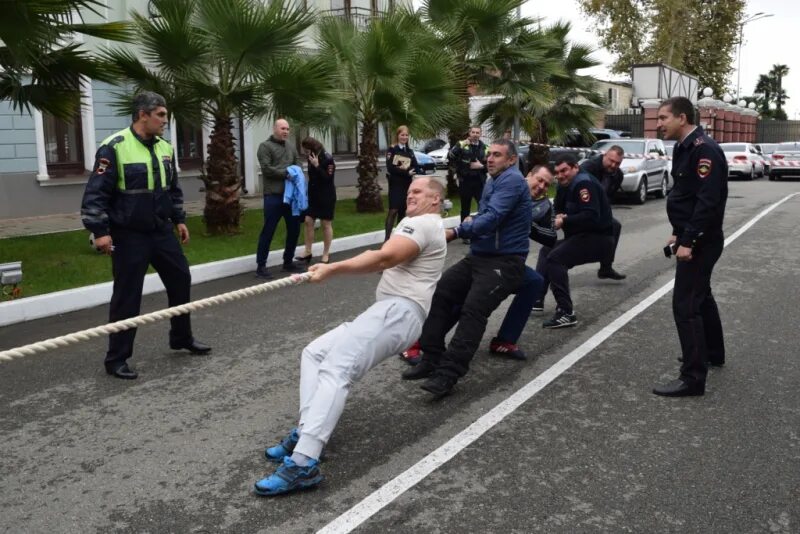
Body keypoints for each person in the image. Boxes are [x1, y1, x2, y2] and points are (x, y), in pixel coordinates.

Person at [253, 177, 448, 496]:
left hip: (399, 311)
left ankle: (303, 464)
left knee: (336, 369)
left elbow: (385, 258)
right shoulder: (429, 224)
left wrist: (332, 268)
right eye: (408, 189)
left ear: (435, 200)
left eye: (418, 191)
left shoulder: (422, 223)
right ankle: (306, 432)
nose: (410, 194)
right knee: (314, 353)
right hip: (393, 311)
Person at [80, 91, 211, 380]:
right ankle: (116, 359)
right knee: (127, 296)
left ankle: (181, 337)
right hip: (128, 235)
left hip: (161, 230)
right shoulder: (114, 147)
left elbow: (172, 188)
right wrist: (100, 231)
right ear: (143, 115)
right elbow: (96, 193)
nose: (166, 120)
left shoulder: (165, 147)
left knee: (181, 278)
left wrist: (179, 219)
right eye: (161, 115)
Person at [401, 139, 531, 398]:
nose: (490, 159)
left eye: (497, 155)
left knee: (473, 309)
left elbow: (494, 216)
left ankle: (449, 374)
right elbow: (486, 214)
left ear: (512, 159)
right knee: (441, 293)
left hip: (504, 261)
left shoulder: (512, 180)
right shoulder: (494, 178)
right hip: (480, 256)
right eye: (488, 154)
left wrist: (458, 229)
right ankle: (431, 358)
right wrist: (474, 218)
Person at [652, 96, 728, 397]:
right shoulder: (683, 148)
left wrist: (688, 241)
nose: (658, 124)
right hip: (691, 235)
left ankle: (693, 378)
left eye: (662, 118)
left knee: (685, 306)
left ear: (682, 118)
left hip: (702, 241)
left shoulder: (704, 150)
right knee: (702, 296)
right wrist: (676, 232)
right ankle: (713, 353)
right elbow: (685, 195)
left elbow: (707, 202)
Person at [539, 153, 615, 329]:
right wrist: (558, 216)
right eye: (557, 172)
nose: (560, 175)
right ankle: (537, 298)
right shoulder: (566, 184)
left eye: (564, 170)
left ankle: (566, 312)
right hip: (584, 237)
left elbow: (591, 215)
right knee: (547, 250)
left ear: (575, 167)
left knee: (555, 259)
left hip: (598, 238)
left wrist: (565, 220)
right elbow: (559, 208)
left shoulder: (583, 183)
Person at [489, 165, 557, 359]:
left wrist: (529, 223)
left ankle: (505, 340)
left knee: (534, 281)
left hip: (512, 262)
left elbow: (551, 236)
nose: (542, 186)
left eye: (547, 184)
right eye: (539, 179)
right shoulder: (509, 190)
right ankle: (421, 343)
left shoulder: (544, 205)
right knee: (469, 299)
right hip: (488, 257)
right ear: (529, 175)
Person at [255, 119, 305, 279]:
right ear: (275, 129)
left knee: (294, 229)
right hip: (274, 196)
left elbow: (298, 165)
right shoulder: (265, 147)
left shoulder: (291, 146)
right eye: (283, 128)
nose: (286, 132)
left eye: (288, 129)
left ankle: (288, 261)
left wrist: (294, 171)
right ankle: (261, 265)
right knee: (268, 231)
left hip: (291, 199)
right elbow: (267, 169)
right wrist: (287, 173)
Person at [580, 146, 627, 280]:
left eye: (617, 163)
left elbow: (608, 198)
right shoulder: (589, 167)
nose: (613, 165)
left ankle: (606, 268)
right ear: (604, 155)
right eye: (611, 161)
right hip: (580, 208)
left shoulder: (618, 175)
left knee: (614, 226)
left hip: (598, 211)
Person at [296, 137, 336, 264]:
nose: (305, 153)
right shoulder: (311, 157)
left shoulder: (327, 158)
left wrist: (317, 166)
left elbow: (327, 179)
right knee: (308, 221)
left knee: (325, 224)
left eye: (306, 150)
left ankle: (326, 254)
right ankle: (307, 251)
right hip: (313, 196)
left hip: (326, 196)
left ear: (312, 148)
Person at [449, 126, 489, 238]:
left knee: (483, 206)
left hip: (479, 182)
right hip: (465, 181)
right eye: (473, 132)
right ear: (469, 133)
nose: (475, 134)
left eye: (477, 132)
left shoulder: (485, 147)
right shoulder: (462, 144)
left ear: (480, 134)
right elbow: (451, 156)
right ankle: (465, 233)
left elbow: (490, 166)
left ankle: (481, 229)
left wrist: (480, 166)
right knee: (465, 208)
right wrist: (460, 145)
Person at [384, 125, 418, 240]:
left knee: (403, 211)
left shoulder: (409, 151)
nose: (404, 137)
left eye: (406, 135)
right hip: (395, 184)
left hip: (407, 184)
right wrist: (406, 171)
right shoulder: (392, 149)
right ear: (397, 135)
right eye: (402, 135)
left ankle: (398, 238)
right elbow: (390, 168)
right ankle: (387, 239)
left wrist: (409, 170)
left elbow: (415, 166)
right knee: (393, 210)